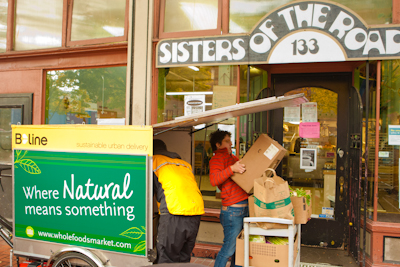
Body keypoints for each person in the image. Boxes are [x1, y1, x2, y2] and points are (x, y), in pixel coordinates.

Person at [152, 139, 204, 264]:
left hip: (174, 211)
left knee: (167, 258)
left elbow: (146, 193)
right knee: (183, 257)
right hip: (195, 211)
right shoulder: (183, 163)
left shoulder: (153, 161)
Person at [209, 130, 248, 267]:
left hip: (243, 209)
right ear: (218, 144)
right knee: (229, 249)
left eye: (230, 140)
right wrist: (232, 168)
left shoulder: (232, 157)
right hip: (232, 211)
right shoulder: (217, 159)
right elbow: (214, 180)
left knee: (239, 249)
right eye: (227, 140)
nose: (231, 143)